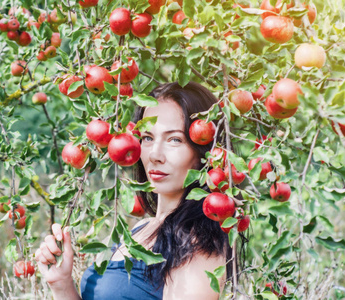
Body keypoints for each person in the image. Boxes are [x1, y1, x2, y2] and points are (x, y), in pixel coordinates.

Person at [35, 81, 235, 299]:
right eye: (148, 138)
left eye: (174, 139)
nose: (154, 154)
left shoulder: (198, 244)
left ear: (205, 151)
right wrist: (61, 283)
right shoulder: (142, 229)